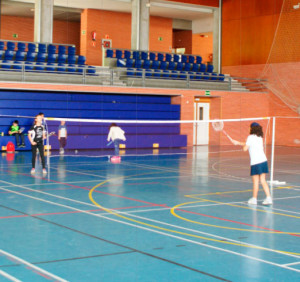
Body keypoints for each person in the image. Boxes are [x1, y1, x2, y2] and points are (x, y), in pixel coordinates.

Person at [232, 122, 272, 205]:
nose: (248, 129)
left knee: (256, 181)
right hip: (263, 161)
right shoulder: (260, 137)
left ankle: (254, 199)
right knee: (263, 180)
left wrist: (241, 145)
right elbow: (249, 144)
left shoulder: (250, 137)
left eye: (249, 127)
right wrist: (238, 142)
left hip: (256, 162)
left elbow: (245, 148)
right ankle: (269, 198)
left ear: (252, 128)